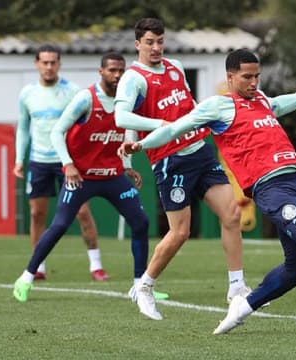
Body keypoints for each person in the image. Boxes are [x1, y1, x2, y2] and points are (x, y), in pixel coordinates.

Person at [118, 49, 296, 335]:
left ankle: (243, 304)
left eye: (257, 76)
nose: (254, 82)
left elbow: (282, 103)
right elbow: (174, 129)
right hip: (269, 188)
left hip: (295, 181)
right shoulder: (218, 106)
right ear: (230, 77)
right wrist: (141, 146)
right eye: (247, 77)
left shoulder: (260, 100)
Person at [114, 18, 249, 321]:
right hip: (170, 159)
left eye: (160, 41)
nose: (156, 48)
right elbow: (121, 117)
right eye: (149, 42)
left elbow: (189, 106)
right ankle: (144, 287)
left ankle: (237, 287)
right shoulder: (133, 78)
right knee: (180, 232)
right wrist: (159, 126)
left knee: (232, 214)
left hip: (200, 150)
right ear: (138, 44)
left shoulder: (175, 66)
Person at [12, 53, 151, 304]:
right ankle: (27, 276)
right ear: (101, 72)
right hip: (82, 177)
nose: (117, 75)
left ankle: (139, 285)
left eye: (121, 70)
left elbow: (126, 132)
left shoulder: (125, 101)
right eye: (112, 70)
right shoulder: (86, 98)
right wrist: (68, 164)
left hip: (112, 176)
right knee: (60, 225)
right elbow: (57, 132)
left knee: (140, 221)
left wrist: (127, 166)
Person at [14, 44, 109, 281]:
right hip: (38, 162)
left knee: (82, 211)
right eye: (44, 62)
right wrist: (18, 159)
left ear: (59, 64)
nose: (49, 66)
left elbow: (83, 126)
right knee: (37, 214)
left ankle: (96, 265)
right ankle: (39, 266)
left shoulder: (73, 91)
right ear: (37, 64)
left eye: (53, 62)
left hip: (68, 162)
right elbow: (24, 128)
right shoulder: (27, 93)